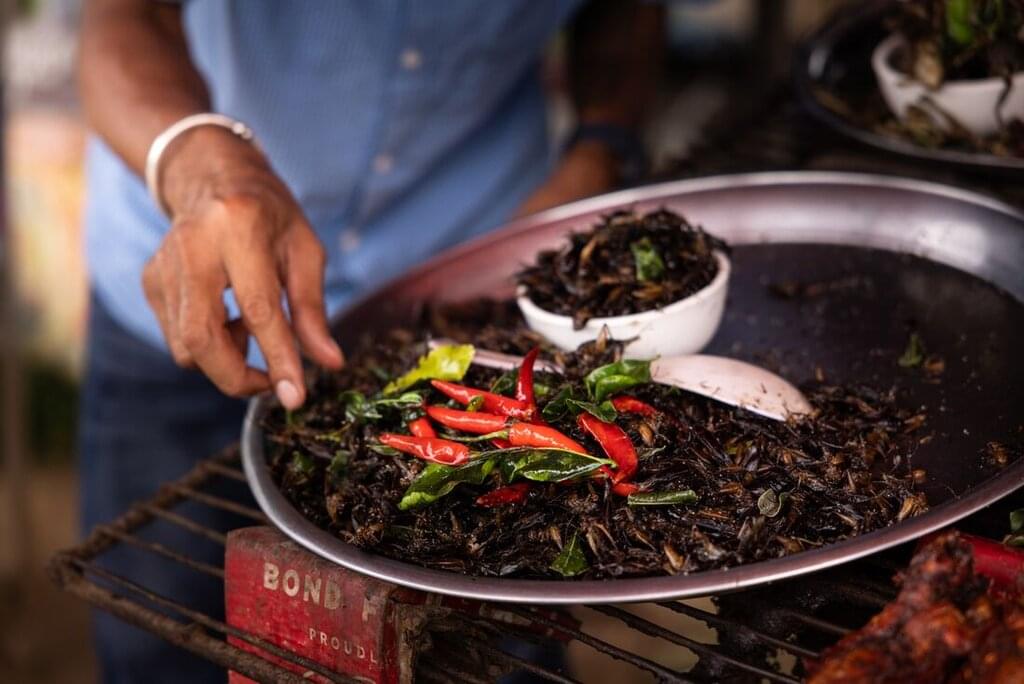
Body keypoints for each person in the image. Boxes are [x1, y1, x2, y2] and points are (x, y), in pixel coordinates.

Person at [77, 1, 663, 681]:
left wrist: (601, 145)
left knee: (493, 647)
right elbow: (120, 16)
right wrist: (202, 166)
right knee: (157, 638)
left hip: (468, 285)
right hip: (194, 280)